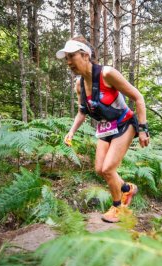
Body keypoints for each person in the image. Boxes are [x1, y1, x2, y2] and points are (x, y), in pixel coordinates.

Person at [56, 36, 150, 223]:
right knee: (99, 169)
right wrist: (71, 131)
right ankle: (127, 189)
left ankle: (118, 208)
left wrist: (142, 128)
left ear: (84, 55)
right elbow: (82, 112)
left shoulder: (107, 73)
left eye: (71, 56)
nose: (68, 62)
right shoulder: (79, 85)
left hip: (124, 123)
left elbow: (138, 98)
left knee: (108, 168)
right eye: (66, 58)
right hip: (105, 129)